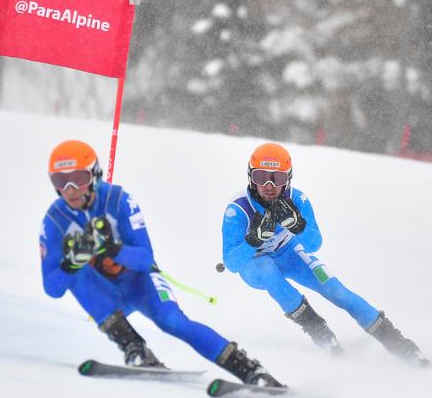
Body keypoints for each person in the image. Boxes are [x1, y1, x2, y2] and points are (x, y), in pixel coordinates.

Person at [39, 140, 284, 386]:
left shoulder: (118, 200)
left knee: (173, 322)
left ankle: (250, 370)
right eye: (60, 181)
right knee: (75, 273)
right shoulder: (54, 220)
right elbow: (52, 288)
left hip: (139, 281)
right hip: (104, 294)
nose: (70, 189)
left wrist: (113, 247)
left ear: (94, 175)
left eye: (78, 179)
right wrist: (72, 263)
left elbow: (145, 258)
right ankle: (133, 347)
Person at [221, 142, 430, 365]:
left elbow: (314, 244)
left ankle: (400, 345)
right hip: (254, 265)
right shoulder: (238, 209)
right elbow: (232, 263)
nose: (269, 185)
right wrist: (253, 240)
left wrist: (298, 226)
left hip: (289, 254)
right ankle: (319, 331)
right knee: (267, 269)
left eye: (277, 178)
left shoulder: (297, 200)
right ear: (250, 177)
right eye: (261, 177)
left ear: (289, 179)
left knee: (336, 290)